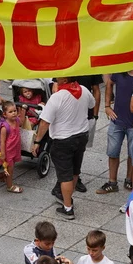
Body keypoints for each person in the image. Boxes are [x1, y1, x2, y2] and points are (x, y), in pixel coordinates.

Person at [35, 77, 96, 220]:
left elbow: (44, 122)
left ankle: (68, 208)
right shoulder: (84, 90)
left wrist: (37, 141)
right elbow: (92, 104)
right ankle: (67, 197)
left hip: (63, 140)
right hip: (81, 136)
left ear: (65, 79)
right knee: (74, 171)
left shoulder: (57, 97)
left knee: (65, 176)